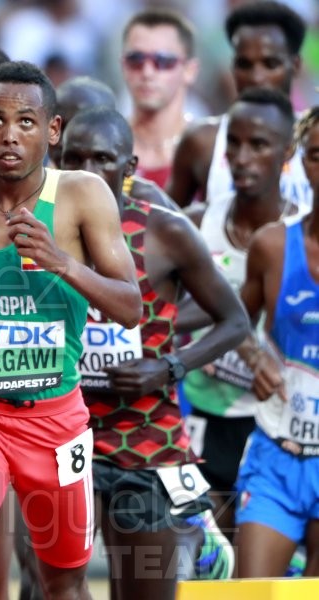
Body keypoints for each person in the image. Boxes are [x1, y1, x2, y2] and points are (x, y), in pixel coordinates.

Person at [0, 61, 142, 600]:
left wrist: (60, 261)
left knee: (61, 582)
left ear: (53, 131)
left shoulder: (83, 195)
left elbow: (131, 306)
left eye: (26, 122)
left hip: (54, 420)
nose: (10, 135)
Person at [61, 107, 247, 598]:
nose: (86, 170)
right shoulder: (34, 232)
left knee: (142, 590)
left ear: (129, 168)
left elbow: (233, 319)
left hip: (141, 438)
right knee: (48, 586)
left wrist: (166, 365)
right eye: (73, 158)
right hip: (60, 433)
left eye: (102, 158)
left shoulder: (165, 231)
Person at [178, 87, 300, 535]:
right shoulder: (193, 224)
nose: (242, 157)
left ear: (287, 152)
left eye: (259, 145)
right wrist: (245, 346)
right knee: (208, 563)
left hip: (273, 421)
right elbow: (160, 312)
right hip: (202, 411)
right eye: (234, 143)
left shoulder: (301, 238)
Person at [234, 106, 319, 578]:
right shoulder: (272, 245)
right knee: (251, 592)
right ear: (302, 163)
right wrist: (254, 356)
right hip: (276, 452)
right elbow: (233, 323)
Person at [167, 1, 311, 210]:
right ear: (233, 67)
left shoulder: (313, 142)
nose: (257, 77)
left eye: (270, 64)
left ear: (295, 66)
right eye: (245, 65)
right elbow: (165, 226)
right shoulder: (202, 142)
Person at [50, 76, 179, 212]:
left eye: (81, 128)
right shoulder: (35, 192)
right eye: (56, 126)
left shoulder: (147, 203)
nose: (61, 140)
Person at [120, 8, 199, 190]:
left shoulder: (208, 150)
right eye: (136, 60)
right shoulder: (103, 145)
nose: (147, 72)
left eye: (163, 61)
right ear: (123, 66)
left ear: (189, 70)